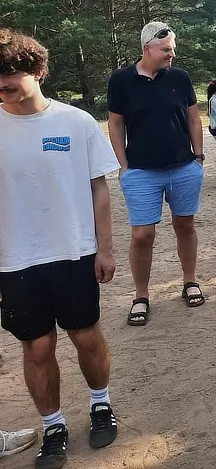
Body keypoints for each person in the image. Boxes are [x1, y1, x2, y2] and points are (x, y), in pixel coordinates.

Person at [1, 30, 120, 469]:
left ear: (37, 70)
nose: (1, 83)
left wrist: (105, 249)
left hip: (74, 251)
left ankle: (101, 403)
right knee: (37, 347)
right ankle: (53, 426)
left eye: (9, 72)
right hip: (14, 259)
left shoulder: (76, 122)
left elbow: (99, 189)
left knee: (86, 336)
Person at [107, 21, 206, 327]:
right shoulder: (121, 80)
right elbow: (115, 124)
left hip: (184, 167)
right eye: (166, 49)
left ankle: (190, 280)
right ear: (147, 48)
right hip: (141, 171)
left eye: (172, 49)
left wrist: (199, 158)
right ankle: (141, 295)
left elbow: (193, 118)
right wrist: (123, 165)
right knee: (142, 235)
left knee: (185, 226)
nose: (171, 54)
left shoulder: (180, 77)